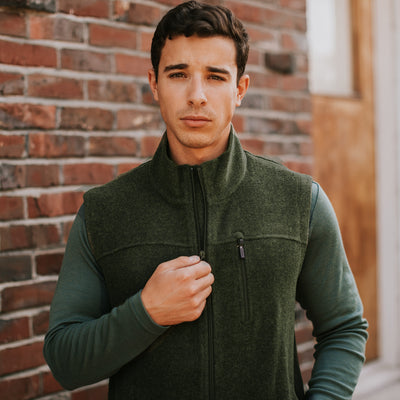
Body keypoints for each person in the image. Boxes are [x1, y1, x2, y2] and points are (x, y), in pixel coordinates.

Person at [43, 1, 368, 399]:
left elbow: (344, 328)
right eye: (178, 74)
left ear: (239, 89)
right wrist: (146, 312)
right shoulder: (104, 213)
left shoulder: (300, 201)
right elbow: (65, 361)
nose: (196, 95)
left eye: (215, 77)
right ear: (154, 83)